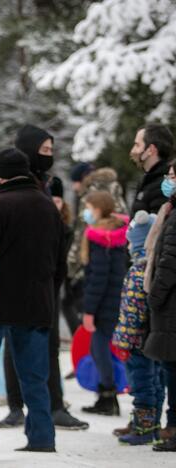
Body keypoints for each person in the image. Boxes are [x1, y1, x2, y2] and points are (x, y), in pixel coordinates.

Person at [0, 148, 64, 453]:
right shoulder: (49, 207)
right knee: (35, 376)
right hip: (37, 301)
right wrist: (51, 291)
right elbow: (60, 260)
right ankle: (42, 437)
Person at [0, 176, 90, 431]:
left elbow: (62, 265)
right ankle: (15, 406)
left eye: (59, 199)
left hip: (48, 293)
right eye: (52, 198)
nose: (54, 203)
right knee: (13, 348)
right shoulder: (32, 218)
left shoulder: (64, 227)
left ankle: (54, 406)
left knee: (47, 349)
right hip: (22, 292)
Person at [112, 210, 164, 445]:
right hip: (150, 339)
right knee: (153, 382)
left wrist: (123, 339)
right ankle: (149, 424)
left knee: (141, 384)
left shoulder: (138, 270)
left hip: (135, 342)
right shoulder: (153, 266)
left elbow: (132, 311)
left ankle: (144, 427)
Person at [79, 191, 129, 417]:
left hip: (104, 304)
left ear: (98, 209)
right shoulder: (118, 233)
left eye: (89, 207)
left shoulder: (100, 236)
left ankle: (108, 396)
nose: (86, 212)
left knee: (99, 349)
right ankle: (106, 394)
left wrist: (89, 310)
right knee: (101, 348)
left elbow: (98, 278)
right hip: (116, 299)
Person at [144, 161, 176, 452]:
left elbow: (168, 260)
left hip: (170, 306)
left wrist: (154, 295)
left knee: (172, 369)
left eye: (173, 176)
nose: (169, 180)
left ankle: (173, 427)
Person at [130, 123, 173, 217]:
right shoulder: (147, 180)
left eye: (137, 145)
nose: (132, 151)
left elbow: (157, 228)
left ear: (150, 150)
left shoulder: (164, 186)